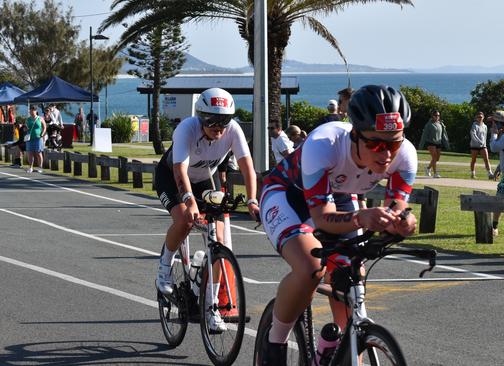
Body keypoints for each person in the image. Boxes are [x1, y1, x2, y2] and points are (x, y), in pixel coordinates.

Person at [258, 85, 418, 364]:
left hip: (341, 196)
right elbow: (321, 217)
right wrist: (360, 218)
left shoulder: (406, 154)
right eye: (376, 144)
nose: (387, 154)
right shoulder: (325, 143)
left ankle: (333, 349)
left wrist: (402, 222)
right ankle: (274, 344)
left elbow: (397, 209)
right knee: (310, 268)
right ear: (355, 135)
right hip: (288, 195)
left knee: (351, 275)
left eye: (393, 143)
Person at [154, 87, 260, 332]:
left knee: (219, 239)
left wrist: (253, 200)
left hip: (203, 179)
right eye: (213, 122)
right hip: (171, 178)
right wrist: (189, 201)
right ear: (201, 117)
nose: (219, 129)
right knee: (184, 220)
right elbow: (180, 171)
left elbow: (247, 167)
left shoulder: (233, 131)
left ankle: (211, 306)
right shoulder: (186, 129)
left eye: (224, 122)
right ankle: (164, 270)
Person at [418, 109, 448, 178]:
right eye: (436, 115)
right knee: (434, 157)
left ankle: (428, 168)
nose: (437, 117)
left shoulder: (440, 124)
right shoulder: (429, 124)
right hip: (430, 143)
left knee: (437, 158)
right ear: (432, 116)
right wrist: (421, 145)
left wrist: (447, 143)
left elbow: (444, 135)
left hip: (438, 143)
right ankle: (435, 173)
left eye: (438, 115)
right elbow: (424, 135)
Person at [469, 111, 494, 179]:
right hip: (474, 146)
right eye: (478, 117)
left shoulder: (485, 126)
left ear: (483, 117)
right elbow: (473, 135)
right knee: (473, 160)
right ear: (476, 118)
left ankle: (490, 173)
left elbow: (485, 136)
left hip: (483, 146)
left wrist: (484, 143)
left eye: (481, 117)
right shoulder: (474, 125)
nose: (480, 118)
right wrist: (479, 141)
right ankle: (472, 173)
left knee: (486, 159)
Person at [24, 105, 46, 173]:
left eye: (33, 110)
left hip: (38, 138)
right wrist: (25, 129)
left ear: (36, 111)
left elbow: (44, 127)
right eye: (31, 110)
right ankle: (30, 167)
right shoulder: (28, 119)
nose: (32, 111)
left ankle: (40, 167)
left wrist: (42, 134)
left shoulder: (40, 118)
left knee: (38, 153)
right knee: (30, 153)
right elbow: (25, 128)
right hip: (30, 138)